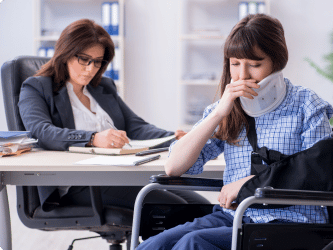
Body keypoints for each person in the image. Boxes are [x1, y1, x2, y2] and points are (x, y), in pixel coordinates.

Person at [136, 13, 333, 250]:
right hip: (234, 217)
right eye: (235, 64)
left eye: (254, 64)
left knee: (193, 243)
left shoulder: (306, 104)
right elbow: (174, 167)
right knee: (155, 245)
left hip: (290, 222)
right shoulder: (226, 109)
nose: (242, 76)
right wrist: (219, 113)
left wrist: (249, 183)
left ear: (277, 61)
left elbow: (318, 169)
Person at [18, 18, 207, 212]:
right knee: (175, 209)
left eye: (97, 62)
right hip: (77, 183)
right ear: (65, 53)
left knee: (200, 206)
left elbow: (135, 126)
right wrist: (93, 139)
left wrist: (173, 138)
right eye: (84, 59)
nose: (90, 68)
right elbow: (42, 132)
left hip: (118, 174)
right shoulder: (37, 87)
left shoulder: (102, 87)